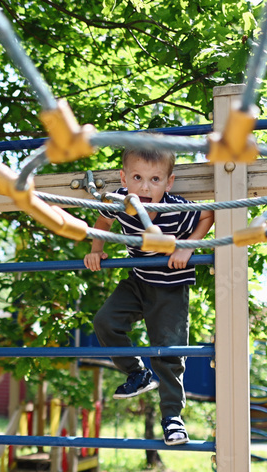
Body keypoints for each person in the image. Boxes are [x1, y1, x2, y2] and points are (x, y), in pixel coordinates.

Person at [84, 143, 214, 445]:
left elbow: (208, 216)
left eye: (155, 180)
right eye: (138, 178)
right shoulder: (119, 201)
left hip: (171, 287)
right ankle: (136, 373)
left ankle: (172, 418)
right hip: (138, 280)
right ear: (124, 178)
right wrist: (96, 250)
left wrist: (188, 246)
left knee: (169, 352)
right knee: (105, 322)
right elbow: (103, 221)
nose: (145, 187)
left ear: (168, 183)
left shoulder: (176, 210)